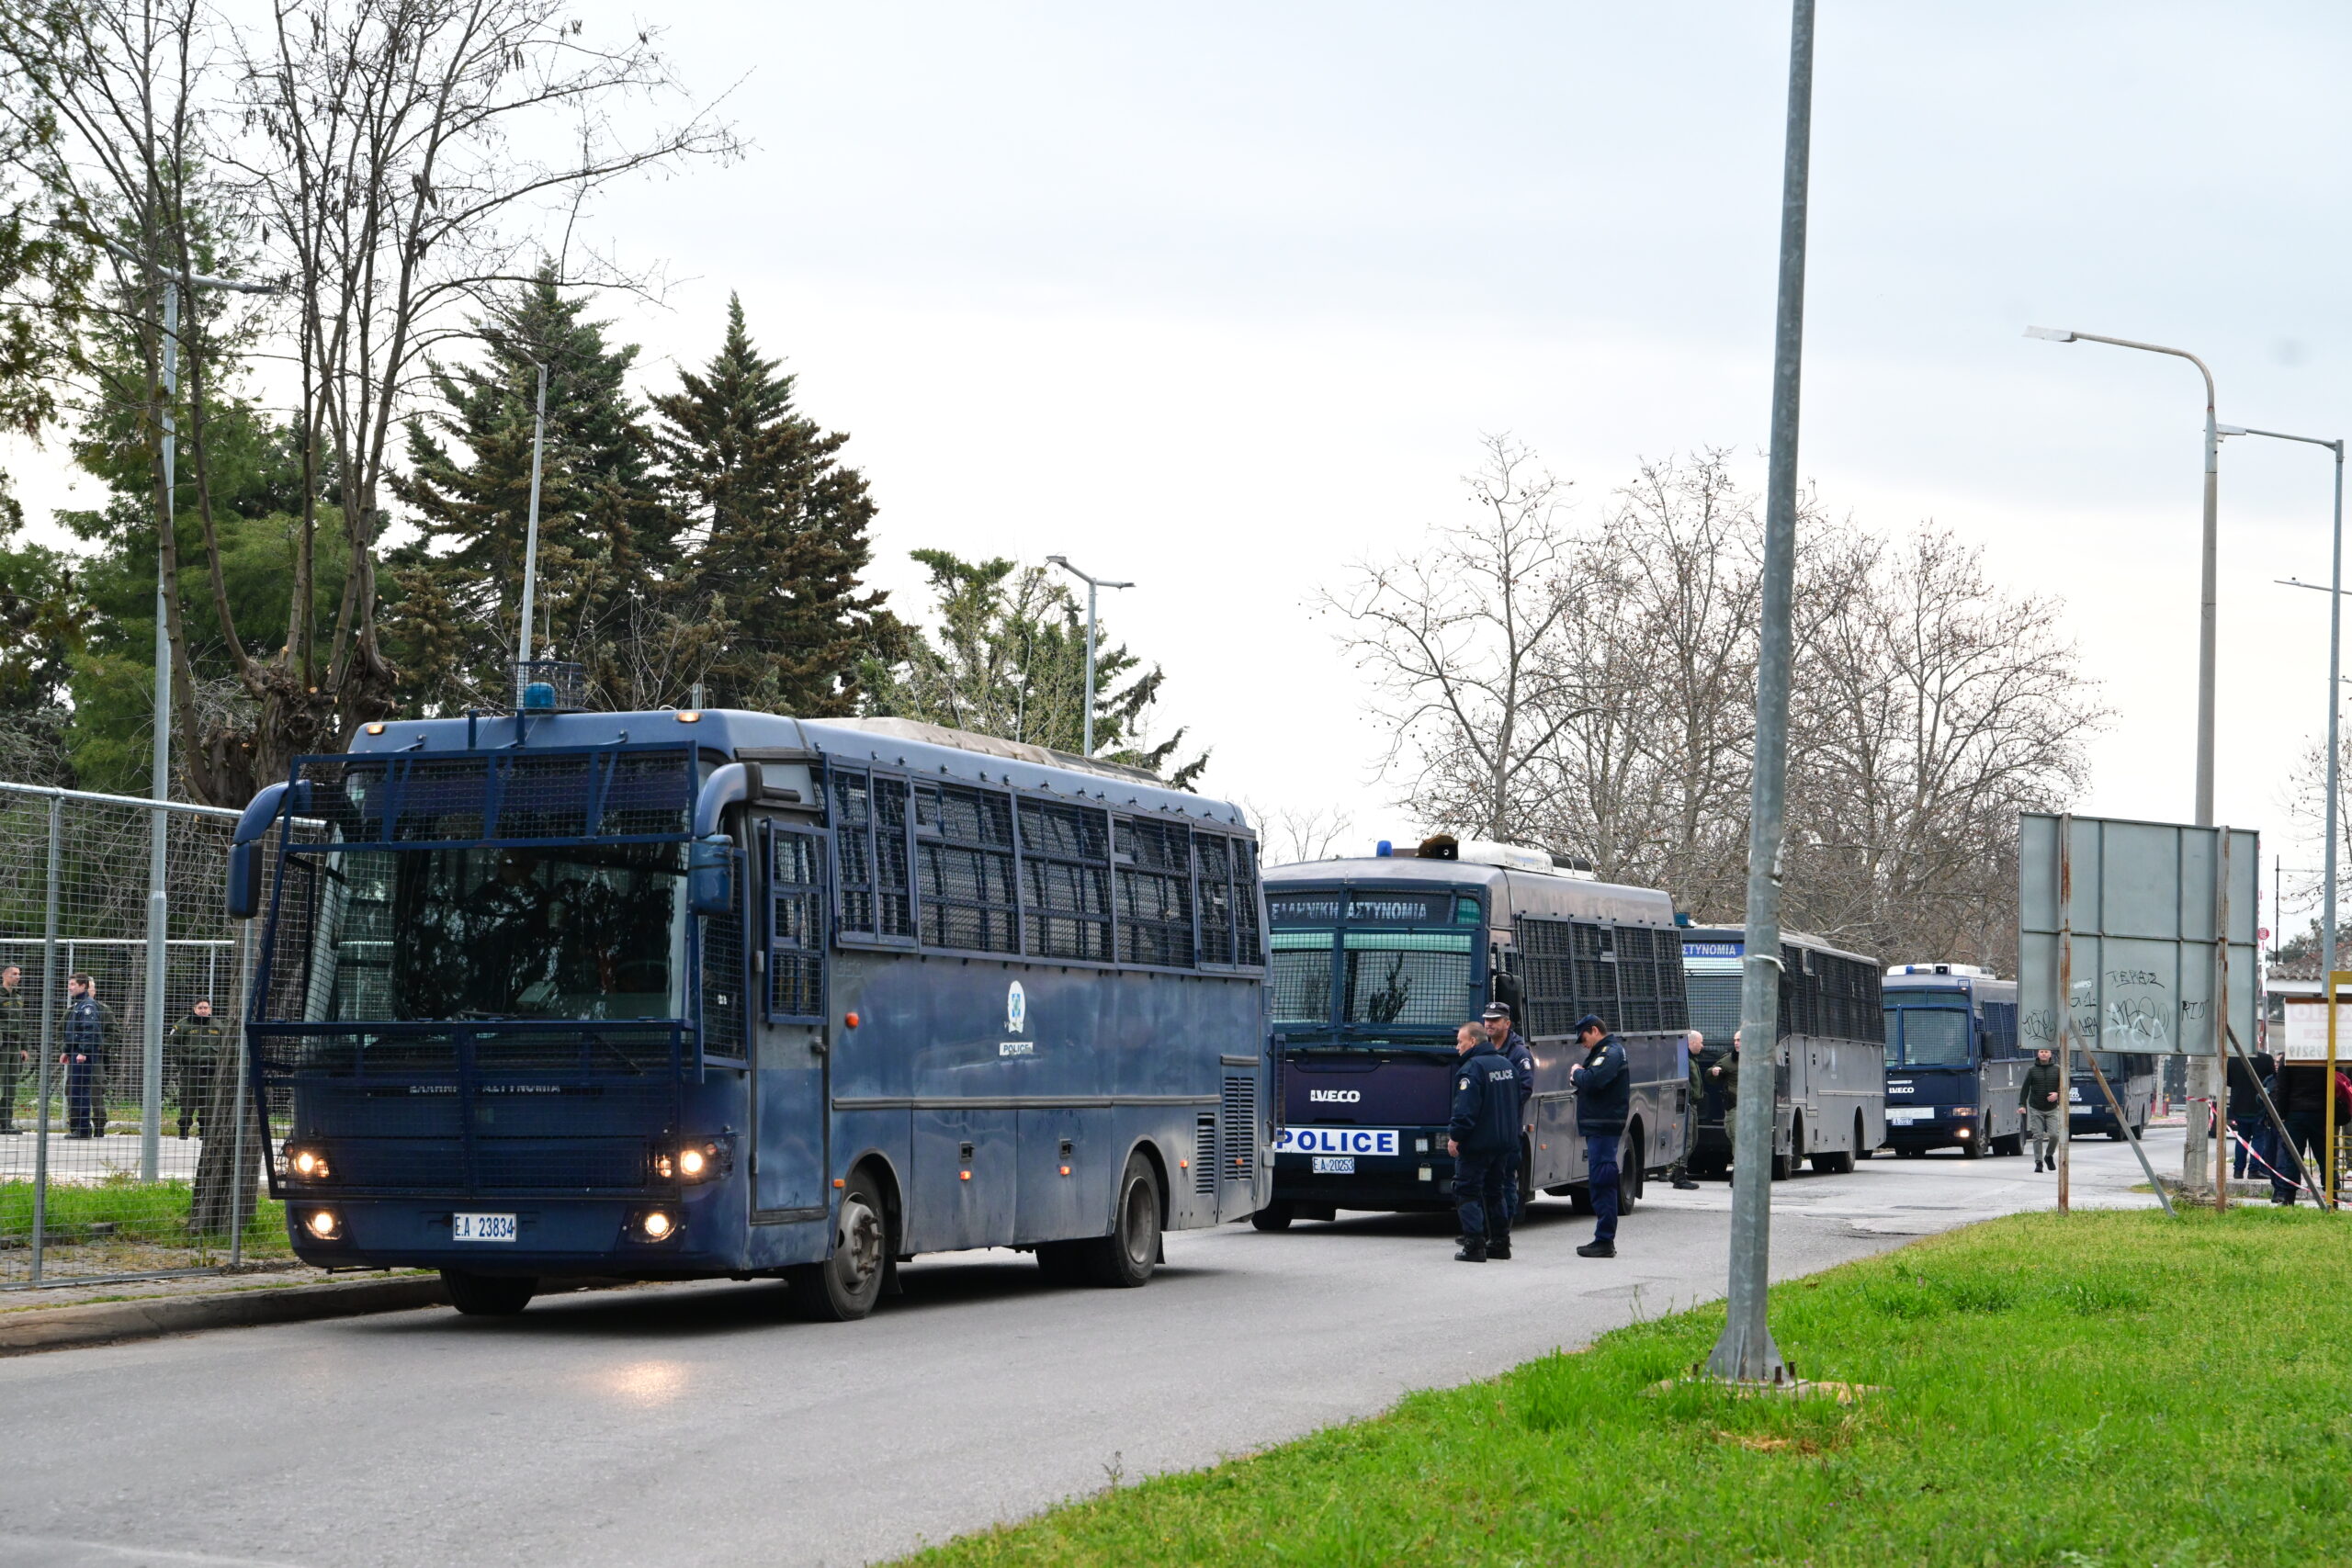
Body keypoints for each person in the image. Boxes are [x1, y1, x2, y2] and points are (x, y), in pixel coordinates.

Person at [1445, 1019, 1520, 1262]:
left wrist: (1455, 1137)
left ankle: (1474, 1245)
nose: (1457, 1047)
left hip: (1478, 1145)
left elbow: (1465, 1112)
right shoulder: (1507, 1065)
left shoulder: (1472, 1069)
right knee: (1494, 1191)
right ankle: (1500, 1243)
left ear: (1473, 1041)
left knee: (1466, 1190)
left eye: (1460, 1041)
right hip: (1504, 1143)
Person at [1567, 1013, 1629, 1258]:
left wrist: (1576, 1074)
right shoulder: (1606, 1052)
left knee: (1602, 1180)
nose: (1582, 1043)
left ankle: (1604, 1240)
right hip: (1600, 1126)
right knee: (1600, 1179)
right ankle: (1602, 1238)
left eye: (1583, 1037)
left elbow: (1594, 1080)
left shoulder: (1610, 1053)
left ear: (1594, 1030)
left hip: (1603, 1126)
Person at [1483, 1003, 1532, 1227]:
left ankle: (1505, 1228)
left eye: (1495, 1020)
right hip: (1487, 1131)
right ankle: (1485, 1229)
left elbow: (1525, 1089)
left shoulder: (1519, 1053)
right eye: (1487, 1019)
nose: (1489, 1024)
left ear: (1507, 1023)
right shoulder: (1484, 1048)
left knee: (1506, 1182)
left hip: (1508, 1130)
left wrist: (1496, 1107)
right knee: (1487, 1182)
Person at [171, 999, 227, 1139]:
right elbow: (173, 1044)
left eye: (206, 1008)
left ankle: (205, 1131)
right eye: (200, 1007)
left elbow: (226, 1044)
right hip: (190, 1069)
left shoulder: (218, 1025)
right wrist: (182, 1059)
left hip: (211, 1070)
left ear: (210, 1009)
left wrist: (219, 1063)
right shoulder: (183, 1024)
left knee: (208, 1102)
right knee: (187, 1100)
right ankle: (184, 1129)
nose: (203, 1010)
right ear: (194, 1008)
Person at [62, 973, 104, 1139]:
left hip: (82, 1054)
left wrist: (83, 1052)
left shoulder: (87, 1006)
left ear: (83, 986)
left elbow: (89, 1030)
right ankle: (79, 1126)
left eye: (73, 984)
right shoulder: (79, 1005)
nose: (69, 987)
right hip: (76, 1052)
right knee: (76, 1090)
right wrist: (67, 1050)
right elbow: (73, 1032)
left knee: (81, 1090)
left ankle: (84, 1128)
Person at [1664, 1029, 1705, 1189]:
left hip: (1693, 1105)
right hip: (1686, 1105)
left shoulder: (1692, 1059)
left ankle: (1675, 1173)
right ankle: (1680, 1177)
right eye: (1700, 1042)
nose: (1702, 1046)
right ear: (1692, 1042)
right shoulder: (1684, 1059)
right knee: (1685, 1141)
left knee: (1692, 1141)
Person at [2226, 1049, 2275, 1182]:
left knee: (2242, 1138)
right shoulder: (2266, 1058)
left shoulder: (2233, 1058)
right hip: (2259, 1104)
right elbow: (2272, 1081)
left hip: (2239, 1104)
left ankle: (2238, 1170)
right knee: (2259, 1137)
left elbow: (2228, 1080)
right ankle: (2254, 1170)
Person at [2018, 1045, 2063, 1171]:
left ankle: (2049, 1156)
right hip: (2036, 1107)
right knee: (2037, 1135)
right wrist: (2021, 1105)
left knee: (2054, 1135)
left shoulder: (2057, 1069)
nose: (2043, 1054)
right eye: (2041, 1052)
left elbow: (2066, 1084)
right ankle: (2039, 1162)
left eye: (2046, 1052)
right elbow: (2025, 1088)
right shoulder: (2032, 1070)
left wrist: (2057, 1094)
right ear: (2038, 1054)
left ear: (2050, 1054)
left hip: (2052, 1108)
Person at [0, 964, 26, 1134]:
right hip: (2, 1045)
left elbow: (22, 1023)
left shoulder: (18, 998)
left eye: (19, 974)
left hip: (15, 1046)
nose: (18, 977)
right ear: (5, 975)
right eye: (14, 974)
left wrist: (24, 1047)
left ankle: (5, 1123)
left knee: (11, 1086)